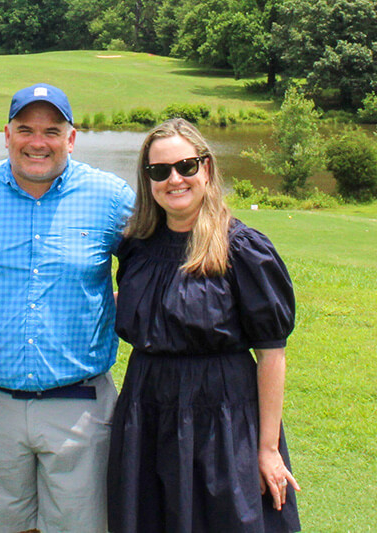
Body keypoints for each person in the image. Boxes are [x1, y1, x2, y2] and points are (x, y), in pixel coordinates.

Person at [0, 83, 136, 533]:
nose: (38, 142)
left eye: (52, 130)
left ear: (71, 139)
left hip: (81, 407)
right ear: (6, 134)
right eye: (26, 129)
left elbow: (159, 259)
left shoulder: (110, 197)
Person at [106, 118, 301, 532]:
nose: (174, 179)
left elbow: (271, 354)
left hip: (223, 413)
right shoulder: (137, 247)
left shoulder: (242, 249)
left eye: (186, 166)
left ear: (206, 168)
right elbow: (150, 308)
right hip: (147, 407)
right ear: (148, 179)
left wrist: (267, 449)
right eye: (159, 171)